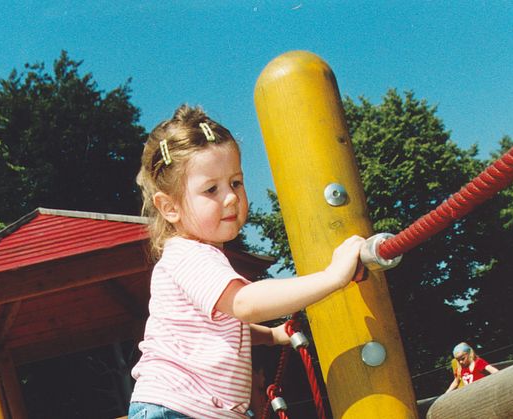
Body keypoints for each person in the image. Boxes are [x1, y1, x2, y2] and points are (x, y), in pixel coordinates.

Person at [128, 105, 365, 418]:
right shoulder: (189, 256)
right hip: (178, 409)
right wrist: (333, 276)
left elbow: (215, 329)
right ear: (169, 207)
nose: (230, 197)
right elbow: (245, 304)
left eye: (236, 182)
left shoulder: (199, 257)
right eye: (211, 189)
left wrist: (270, 336)